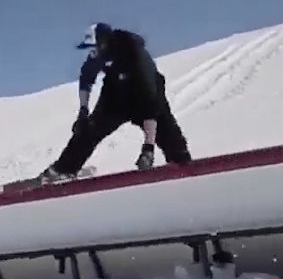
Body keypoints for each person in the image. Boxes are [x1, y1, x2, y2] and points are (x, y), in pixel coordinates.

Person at [38, 22, 192, 184]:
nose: (94, 52)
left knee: (168, 131)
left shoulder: (135, 54)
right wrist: (83, 111)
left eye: (96, 47)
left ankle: (183, 164)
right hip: (116, 95)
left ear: (105, 42)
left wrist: (148, 147)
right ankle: (63, 170)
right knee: (88, 130)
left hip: (146, 94)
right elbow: (86, 78)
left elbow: (150, 103)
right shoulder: (99, 55)